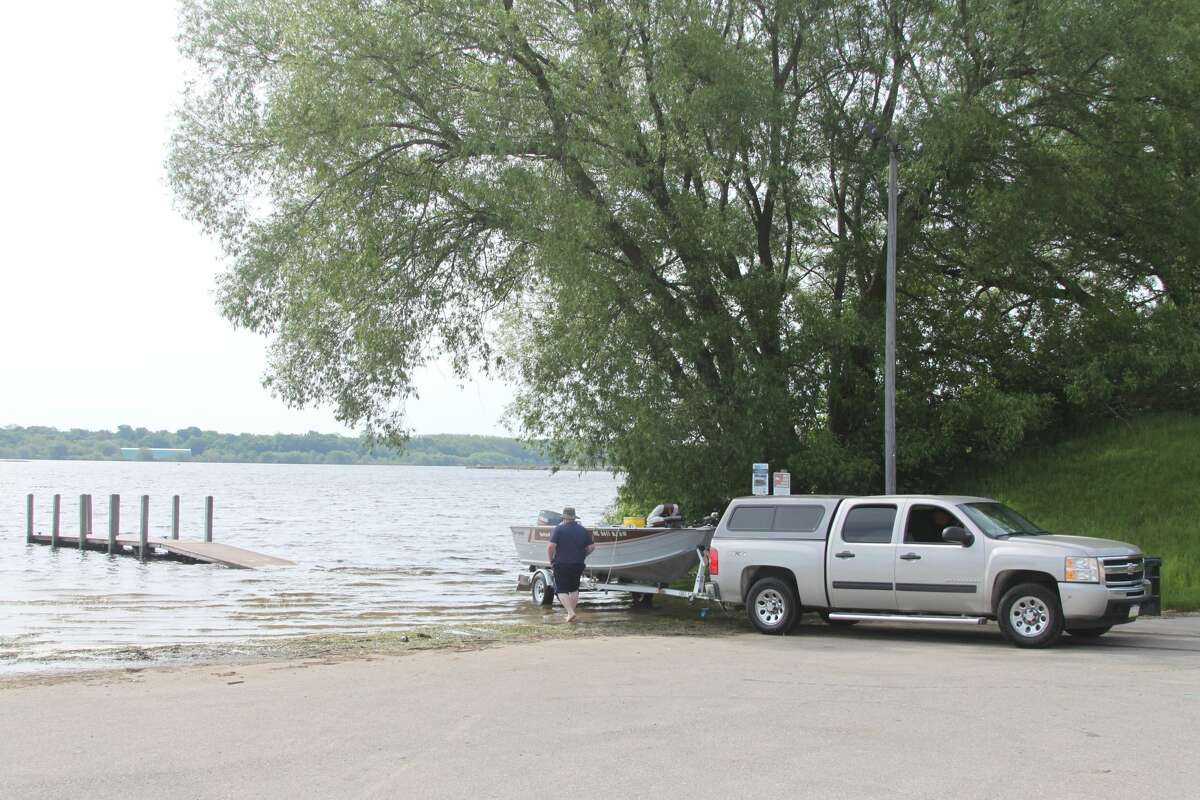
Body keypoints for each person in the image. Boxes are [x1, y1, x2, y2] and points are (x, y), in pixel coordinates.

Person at [548, 506, 594, 623]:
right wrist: (583, 555)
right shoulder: (582, 530)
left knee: (561, 590)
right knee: (574, 589)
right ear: (574, 518)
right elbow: (591, 547)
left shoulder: (558, 529)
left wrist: (551, 560)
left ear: (564, 518)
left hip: (561, 564)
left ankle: (570, 612)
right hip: (578, 564)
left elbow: (551, 546)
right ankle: (571, 615)